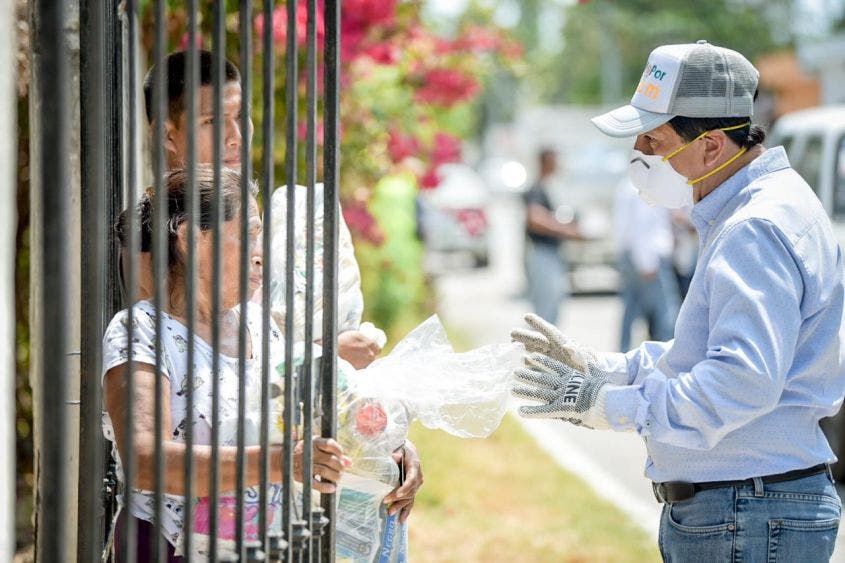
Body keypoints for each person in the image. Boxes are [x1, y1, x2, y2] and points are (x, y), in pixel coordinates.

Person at [511, 40, 845, 561]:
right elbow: (704, 354)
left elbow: (740, 381)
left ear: (711, 146)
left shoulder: (753, 226)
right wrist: (610, 368)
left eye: (652, 138)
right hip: (748, 507)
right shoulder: (750, 208)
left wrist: (612, 406)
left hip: (747, 510)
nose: (639, 153)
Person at [137, 50, 422, 521]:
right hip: (204, 515)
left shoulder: (250, 217)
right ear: (169, 134)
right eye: (213, 121)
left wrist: (387, 440)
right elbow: (211, 371)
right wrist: (325, 354)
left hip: (296, 496)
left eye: (239, 117)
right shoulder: (158, 240)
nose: (234, 136)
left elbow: (260, 348)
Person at [105, 167, 351, 559]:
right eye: (250, 233)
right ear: (191, 238)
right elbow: (144, 459)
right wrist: (279, 461)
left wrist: (388, 450)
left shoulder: (257, 321)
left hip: (259, 544)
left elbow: (312, 412)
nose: (261, 253)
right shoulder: (142, 330)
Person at [613, 178, 680, 351]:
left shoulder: (628, 186)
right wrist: (647, 262)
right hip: (649, 258)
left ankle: (624, 354)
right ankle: (666, 359)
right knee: (665, 312)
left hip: (634, 256)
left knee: (631, 310)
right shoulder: (645, 188)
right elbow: (643, 226)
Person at [522, 148, 581, 325]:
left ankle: (547, 349)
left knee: (554, 304)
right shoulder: (536, 189)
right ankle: (541, 350)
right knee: (545, 309)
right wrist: (567, 231)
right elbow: (535, 219)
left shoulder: (548, 187)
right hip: (542, 253)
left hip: (551, 253)